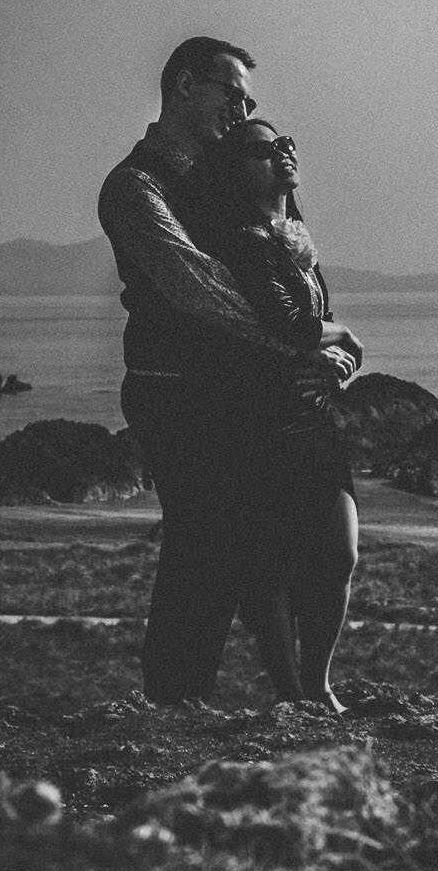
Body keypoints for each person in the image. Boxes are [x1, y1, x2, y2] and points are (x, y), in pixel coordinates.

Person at [98, 37, 358, 704]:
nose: (242, 109)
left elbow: (291, 277)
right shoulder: (136, 187)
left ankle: (214, 701)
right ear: (186, 85)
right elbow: (204, 289)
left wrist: (283, 195)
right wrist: (305, 346)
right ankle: (177, 702)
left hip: (234, 392)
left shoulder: (229, 179)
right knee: (204, 543)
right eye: (232, 93)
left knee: (243, 546)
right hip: (172, 392)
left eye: (248, 101)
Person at [196, 116, 363, 710]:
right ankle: (297, 693)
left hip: (313, 413)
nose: (283, 154)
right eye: (266, 149)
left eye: (287, 144)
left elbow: (317, 325)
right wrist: (348, 338)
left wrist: (341, 359)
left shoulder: (294, 233)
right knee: (274, 567)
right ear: (239, 169)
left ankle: (317, 683)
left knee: (340, 554)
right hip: (263, 418)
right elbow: (293, 324)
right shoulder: (245, 238)